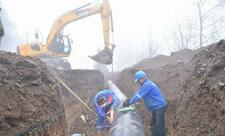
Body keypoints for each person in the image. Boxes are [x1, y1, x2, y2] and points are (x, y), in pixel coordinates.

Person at [123, 71, 167, 136]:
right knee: (153, 123)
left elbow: (138, 96)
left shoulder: (147, 85)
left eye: (138, 80)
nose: (138, 82)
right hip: (156, 107)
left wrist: (129, 103)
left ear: (143, 78)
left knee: (159, 125)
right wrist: (130, 99)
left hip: (159, 106)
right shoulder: (145, 84)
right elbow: (137, 93)